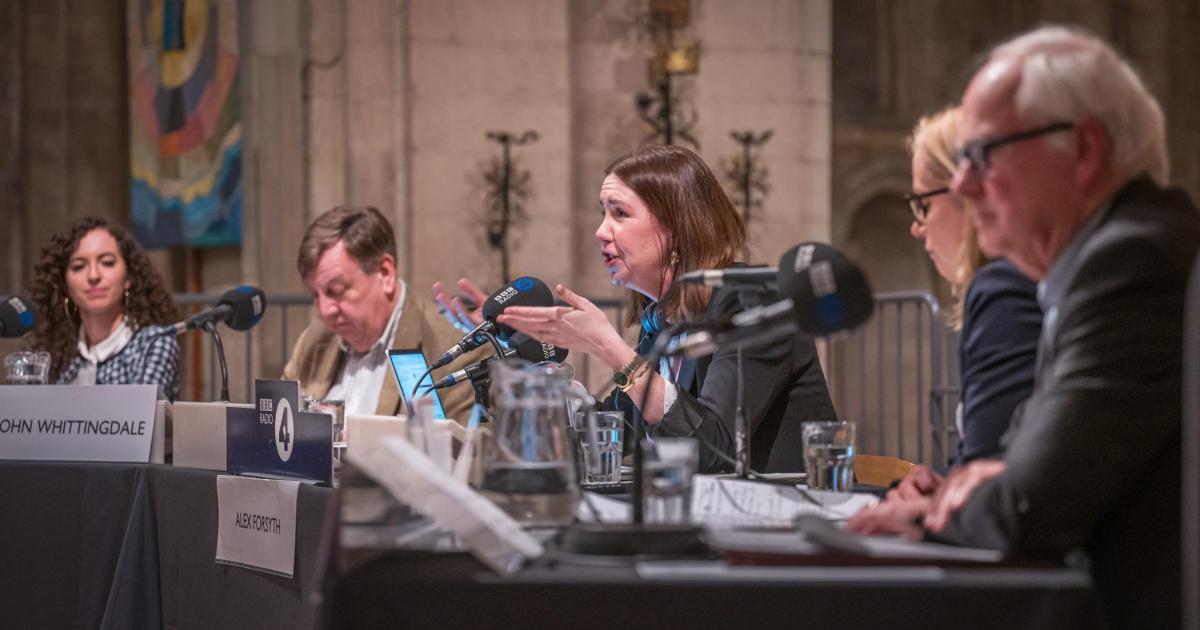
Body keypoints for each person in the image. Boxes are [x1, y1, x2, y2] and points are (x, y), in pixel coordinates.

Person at [849, 26, 1200, 630]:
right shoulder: (1104, 259)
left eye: (983, 155)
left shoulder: (1131, 264)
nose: (961, 186)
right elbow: (1026, 466)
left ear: (1085, 151)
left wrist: (934, 512)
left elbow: (1030, 509)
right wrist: (998, 478)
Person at [477, 144, 838, 473]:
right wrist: (526, 358)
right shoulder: (663, 319)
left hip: (789, 523)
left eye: (619, 214)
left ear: (676, 228)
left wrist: (613, 350)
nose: (601, 232)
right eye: (603, 214)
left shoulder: (753, 301)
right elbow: (610, 436)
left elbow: (714, 451)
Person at [907, 106, 1042, 466]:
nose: (916, 228)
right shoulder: (1006, 284)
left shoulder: (1005, 293)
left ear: (966, 192)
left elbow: (989, 469)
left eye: (922, 205)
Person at [283, 205, 479, 422]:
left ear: (385, 273)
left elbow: (463, 451)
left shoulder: (454, 349)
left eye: (336, 291)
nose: (324, 310)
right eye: (315, 296)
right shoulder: (312, 343)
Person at [27, 216, 181, 399]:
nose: (93, 275)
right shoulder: (53, 351)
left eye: (107, 262)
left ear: (129, 277)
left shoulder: (154, 343)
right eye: (79, 266)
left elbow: (139, 420)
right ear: (64, 284)